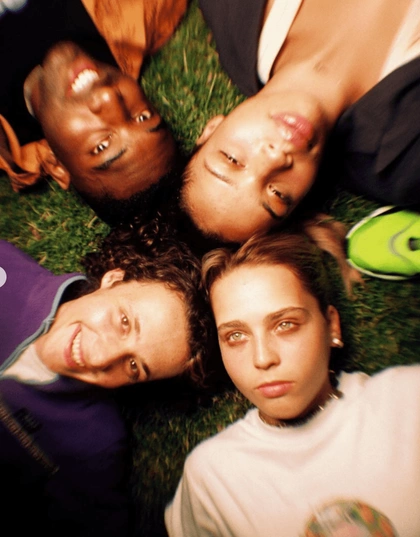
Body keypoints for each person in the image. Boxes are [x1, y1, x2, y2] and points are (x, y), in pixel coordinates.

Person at [165, 231, 420, 537]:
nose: (263, 358)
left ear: (332, 326)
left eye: (285, 325)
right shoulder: (210, 476)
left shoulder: (409, 399)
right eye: (236, 336)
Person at [0, 221, 211, 536]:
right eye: (125, 322)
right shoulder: (6, 268)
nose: (100, 358)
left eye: (133, 367)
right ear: (113, 279)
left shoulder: (92, 447)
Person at [179, 0, 420, 243]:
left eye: (232, 159)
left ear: (211, 130)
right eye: (278, 195)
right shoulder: (404, 160)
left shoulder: (232, 10)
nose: (275, 157)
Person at [0, 0, 187, 224]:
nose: (108, 96)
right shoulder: (138, 14)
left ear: (57, 165)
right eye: (142, 117)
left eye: (102, 146)